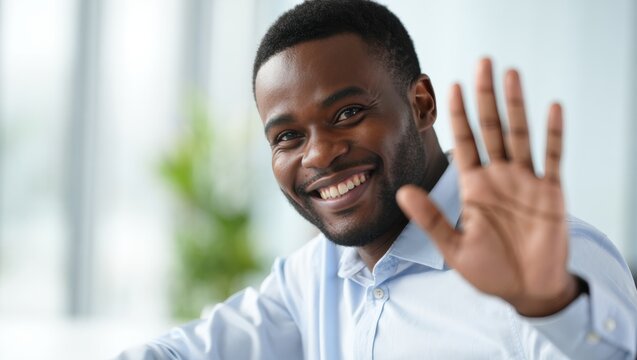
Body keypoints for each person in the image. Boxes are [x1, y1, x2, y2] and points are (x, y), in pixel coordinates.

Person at [116, 1, 637, 359]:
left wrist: (551, 308)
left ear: (421, 104)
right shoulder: (316, 275)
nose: (319, 154)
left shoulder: (549, 261)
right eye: (288, 137)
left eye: (347, 113)